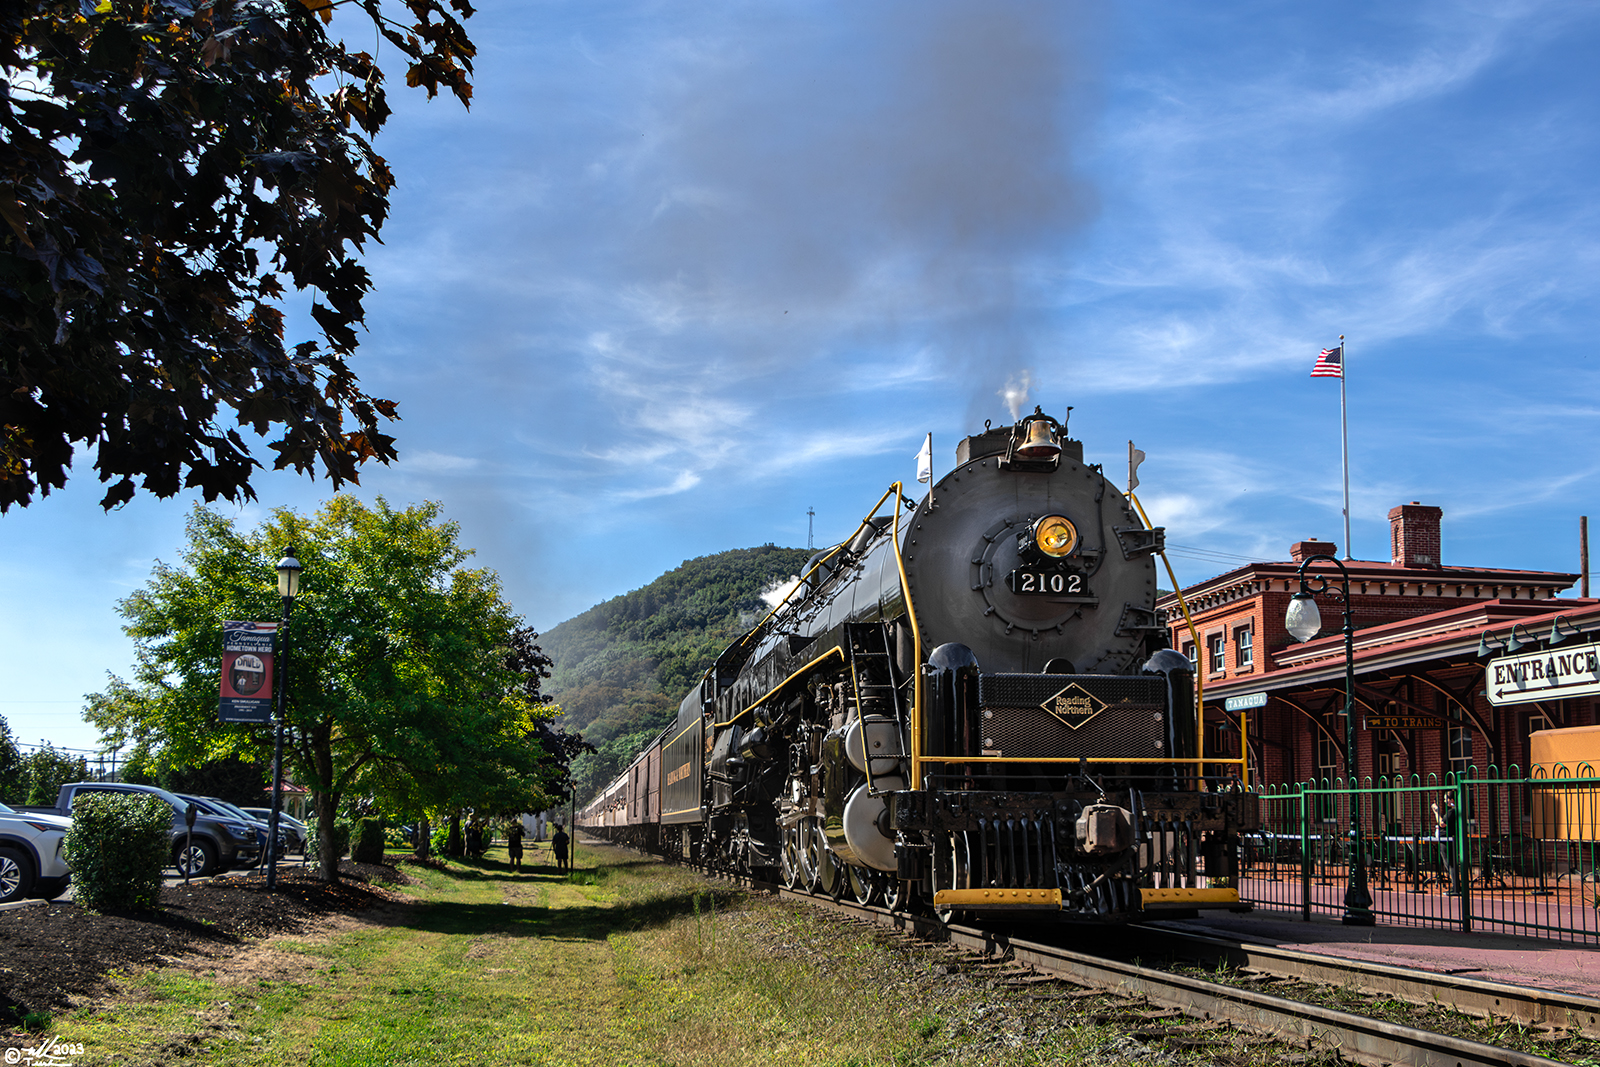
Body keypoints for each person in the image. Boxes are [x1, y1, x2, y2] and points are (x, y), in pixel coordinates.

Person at [1434, 794, 1461, 895]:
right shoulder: (1455, 810)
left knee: (1450, 863)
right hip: (1450, 839)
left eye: (1446, 799)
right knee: (1450, 863)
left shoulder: (1452, 811)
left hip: (1447, 840)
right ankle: (1456, 886)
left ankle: (1455, 888)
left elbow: (1442, 823)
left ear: (1451, 800)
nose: (1445, 801)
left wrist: (1436, 812)